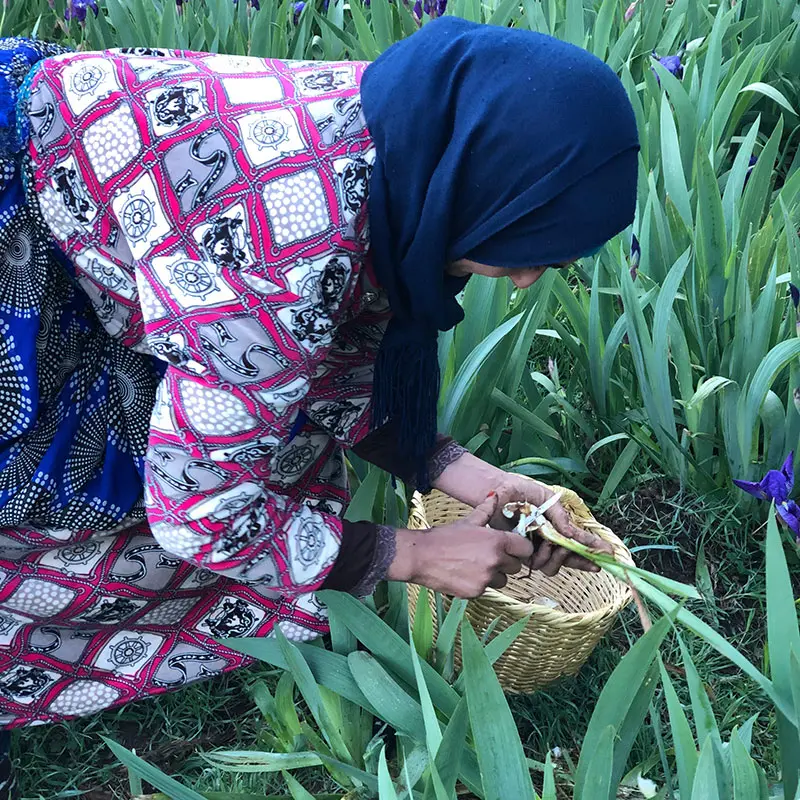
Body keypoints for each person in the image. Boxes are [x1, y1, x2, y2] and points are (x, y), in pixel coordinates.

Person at [0, 13, 639, 758]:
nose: (529, 277)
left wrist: (472, 475)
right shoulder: (283, 262)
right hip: (28, 227)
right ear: (468, 174)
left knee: (273, 462)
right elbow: (198, 508)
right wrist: (411, 555)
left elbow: (322, 354)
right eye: (523, 239)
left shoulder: (400, 135)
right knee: (88, 516)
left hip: (77, 199)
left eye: (553, 258)